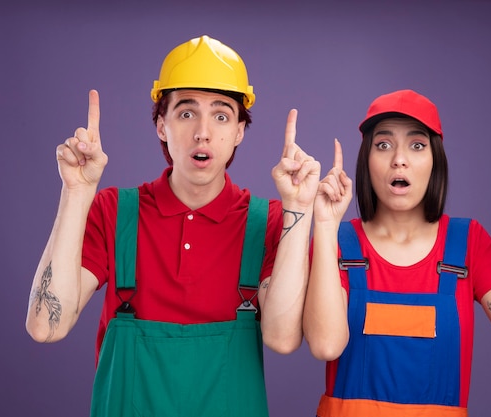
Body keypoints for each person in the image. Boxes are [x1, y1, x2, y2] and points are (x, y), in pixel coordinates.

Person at [26, 35, 320, 417]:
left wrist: (299, 206)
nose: (203, 132)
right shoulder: (115, 212)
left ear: (238, 132)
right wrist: (76, 193)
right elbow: (46, 326)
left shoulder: (271, 222)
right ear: (161, 125)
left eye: (221, 115)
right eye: (186, 112)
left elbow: (282, 339)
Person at [303, 89, 491, 416]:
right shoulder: (336, 240)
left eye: (417, 145)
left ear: (436, 161)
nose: (399, 159)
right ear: (366, 160)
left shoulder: (467, 243)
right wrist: (323, 226)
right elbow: (324, 345)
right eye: (383, 145)